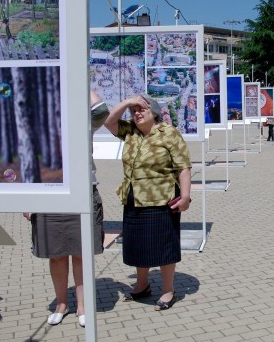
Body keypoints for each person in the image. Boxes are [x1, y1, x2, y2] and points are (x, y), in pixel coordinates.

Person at [24, 91, 108, 327]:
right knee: (56, 255)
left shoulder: (84, 123)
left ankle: (83, 306)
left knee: (81, 254)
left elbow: (100, 108)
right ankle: (62, 303)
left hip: (82, 192)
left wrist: (78, 79)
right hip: (48, 194)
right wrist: (27, 199)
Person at [104, 93, 192, 311]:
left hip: (162, 199)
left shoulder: (169, 134)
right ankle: (142, 285)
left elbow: (183, 167)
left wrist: (186, 196)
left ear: (154, 113)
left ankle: (168, 290)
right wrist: (126, 101)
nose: (136, 114)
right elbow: (108, 121)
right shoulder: (130, 132)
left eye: (141, 110)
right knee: (137, 245)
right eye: (134, 111)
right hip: (134, 197)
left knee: (164, 246)